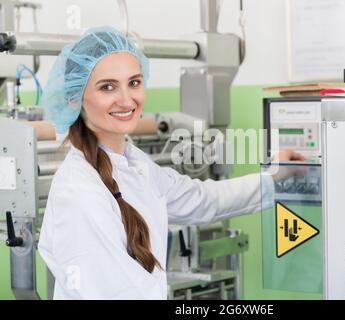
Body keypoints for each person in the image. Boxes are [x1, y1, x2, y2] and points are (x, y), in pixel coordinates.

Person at [38, 26, 304, 299]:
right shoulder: (80, 191)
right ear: (74, 98)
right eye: (108, 87)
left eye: (134, 82)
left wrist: (274, 177)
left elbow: (201, 199)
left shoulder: (134, 163)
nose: (127, 99)